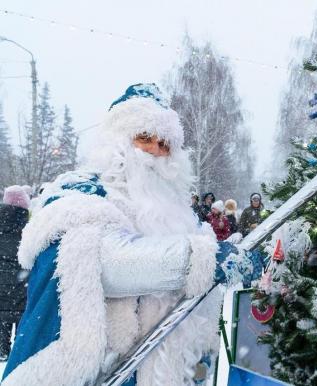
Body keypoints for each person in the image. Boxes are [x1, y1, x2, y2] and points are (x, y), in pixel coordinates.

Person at [1, 83, 262, 386]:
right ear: (117, 140)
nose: (155, 151)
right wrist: (203, 257)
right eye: (144, 138)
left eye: (165, 144)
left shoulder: (179, 212)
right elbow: (106, 263)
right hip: (107, 371)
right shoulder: (82, 191)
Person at [0, 186, 30, 360]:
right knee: (21, 323)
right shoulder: (30, 229)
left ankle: (2, 350)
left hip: (1, 285)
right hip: (22, 285)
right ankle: (19, 355)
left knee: (2, 318)